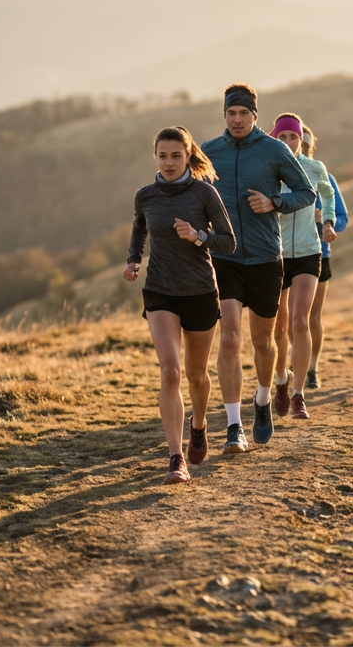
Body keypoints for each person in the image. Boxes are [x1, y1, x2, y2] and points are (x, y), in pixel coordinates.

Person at [200, 84, 316, 454]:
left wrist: (275, 201)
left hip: (266, 257)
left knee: (264, 342)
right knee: (230, 337)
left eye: (243, 114)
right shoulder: (209, 152)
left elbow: (306, 192)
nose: (237, 120)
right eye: (231, 114)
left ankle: (263, 398)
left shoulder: (274, 149)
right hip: (225, 258)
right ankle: (234, 426)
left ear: (254, 116)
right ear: (224, 116)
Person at [124, 126, 236, 485]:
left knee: (196, 375)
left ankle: (199, 424)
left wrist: (198, 235)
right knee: (170, 373)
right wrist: (134, 260)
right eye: (162, 156)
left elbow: (229, 242)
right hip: (160, 291)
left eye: (175, 155)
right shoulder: (145, 195)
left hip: (200, 291)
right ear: (154, 157)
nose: (169, 162)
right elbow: (140, 228)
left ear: (188, 156)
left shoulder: (205, 193)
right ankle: (176, 459)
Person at [267, 115, 334, 418]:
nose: (288, 143)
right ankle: (282, 379)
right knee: (278, 327)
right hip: (276, 254)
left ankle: (299, 395)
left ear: (300, 140)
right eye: (281, 138)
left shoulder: (314, 168)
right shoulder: (269, 168)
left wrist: (329, 220)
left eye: (292, 138)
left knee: (299, 322)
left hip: (308, 251)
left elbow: (329, 192)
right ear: (274, 139)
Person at [302, 124, 347, 390]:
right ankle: (285, 367)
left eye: (307, 144)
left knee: (312, 317)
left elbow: (342, 218)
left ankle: (312, 369)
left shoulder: (324, 177)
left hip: (319, 254)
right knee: (284, 319)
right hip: (282, 255)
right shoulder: (276, 175)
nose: (303, 147)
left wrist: (326, 221)